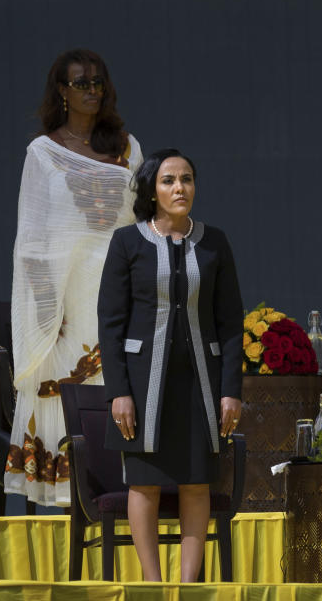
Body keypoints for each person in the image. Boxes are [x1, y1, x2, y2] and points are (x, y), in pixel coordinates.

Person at [98, 149, 244, 582]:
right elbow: (110, 324)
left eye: (186, 179)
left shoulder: (214, 240)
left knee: (197, 483)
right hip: (143, 386)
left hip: (202, 381)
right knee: (143, 483)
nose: (179, 188)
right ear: (152, 189)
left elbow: (231, 322)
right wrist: (118, 392)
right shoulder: (127, 242)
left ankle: (187, 587)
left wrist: (231, 390)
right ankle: (152, 584)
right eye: (168, 180)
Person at [5, 49, 143, 506]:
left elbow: (142, 224)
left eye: (98, 82)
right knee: (72, 383)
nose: (91, 91)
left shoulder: (127, 148)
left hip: (121, 286)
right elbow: (33, 242)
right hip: (68, 296)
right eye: (81, 83)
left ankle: (124, 488)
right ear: (61, 91)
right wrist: (48, 310)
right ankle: (70, 491)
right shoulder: (43, 154)